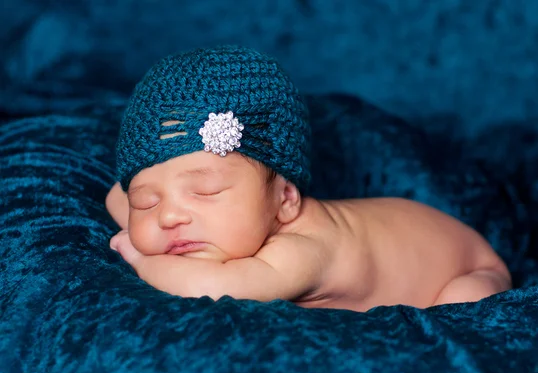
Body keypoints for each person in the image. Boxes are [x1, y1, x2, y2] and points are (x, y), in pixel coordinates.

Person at [106, 45, 511, 312]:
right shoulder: (205, 217)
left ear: (285, 200)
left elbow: (207, 287)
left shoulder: (302, 251)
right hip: (409, 228)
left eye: (205, 190)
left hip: (468, 267)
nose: (170, 217)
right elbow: (114, 196)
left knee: (460, 309)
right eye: (147, 200)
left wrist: (141, 256)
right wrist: (141, 216)